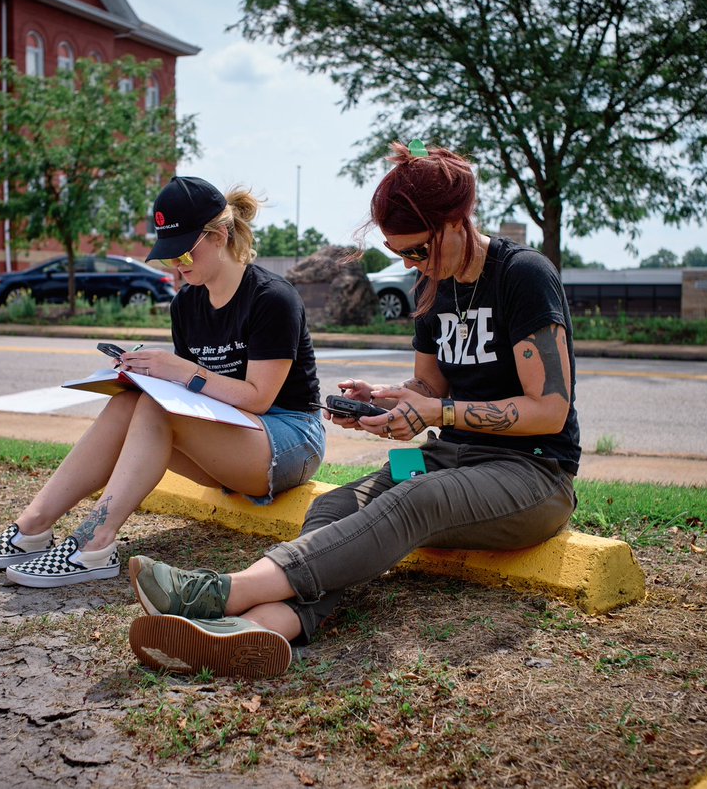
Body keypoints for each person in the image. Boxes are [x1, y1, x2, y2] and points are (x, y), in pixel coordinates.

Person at [124, 142, 581, 679]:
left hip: (532, 474)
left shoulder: (523, 275)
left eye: (417, 251)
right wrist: (390, 400)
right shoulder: (431, 285)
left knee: (415, 497)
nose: (411, 265)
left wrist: (437, 411)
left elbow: (549, 409)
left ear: (457, 222)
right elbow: (428, 386)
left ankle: (225, 593)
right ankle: (266, 627)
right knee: (335, 508)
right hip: (448, 458)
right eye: (400, 255)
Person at [0, 177, 325, 587]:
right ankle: (32, 527)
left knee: (154, 408)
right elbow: (195, 397)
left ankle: (95, 542)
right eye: (169, 258)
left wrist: (181, 372)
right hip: (229, 435)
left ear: (219, 235)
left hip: (290, 438)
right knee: (131, 402)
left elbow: (258, 399)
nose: (178, 266)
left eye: (184, 252)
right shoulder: (186, 304)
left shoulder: (272, 297)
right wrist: (144, 377)